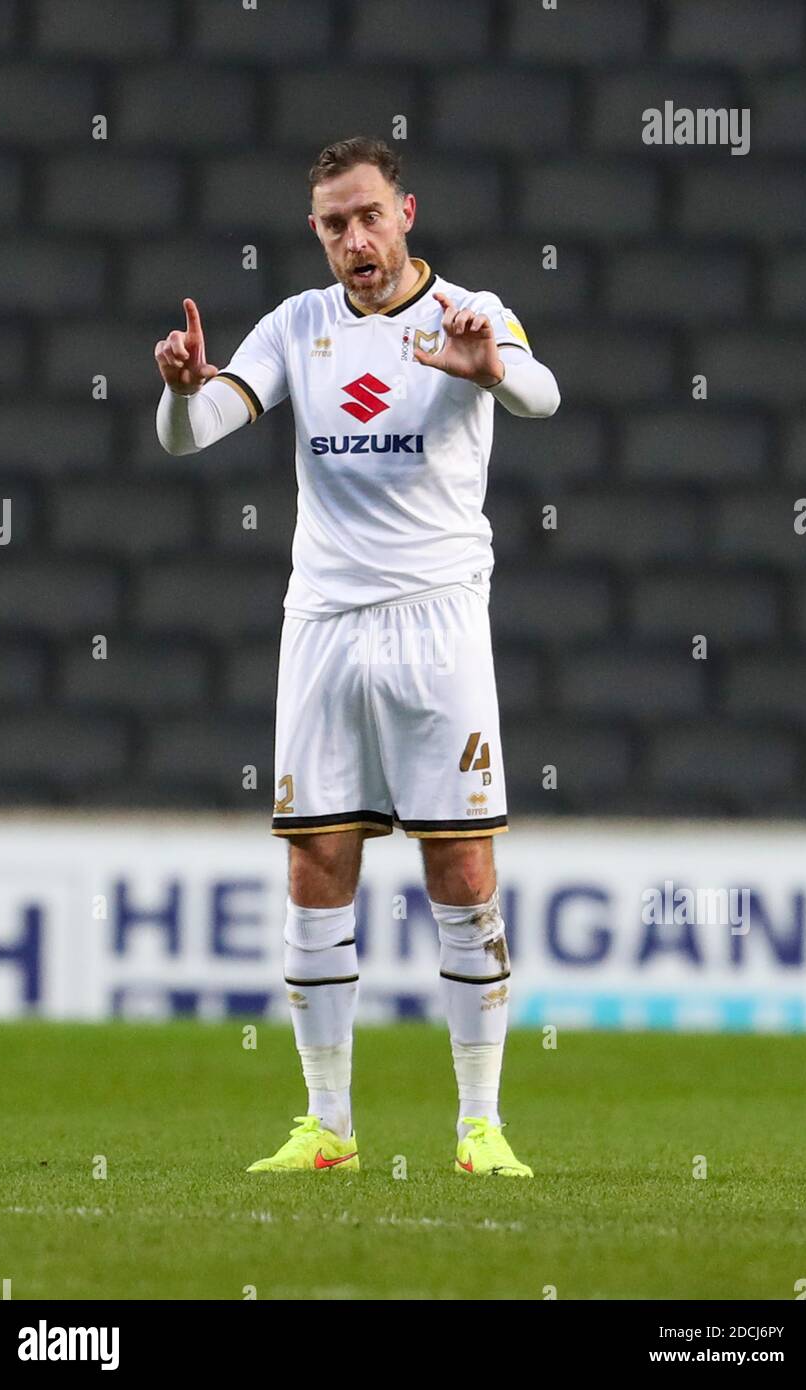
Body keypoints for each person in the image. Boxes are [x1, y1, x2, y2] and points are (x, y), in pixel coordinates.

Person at [155, 136, 560, 1176]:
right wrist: (178, 385)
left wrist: (492, 369)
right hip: (325, 624)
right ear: (316, 234)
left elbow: (541, 394)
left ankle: (479, 1126)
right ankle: (327, 1125)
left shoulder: (468, 311)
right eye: (334, 224)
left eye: (368, 214)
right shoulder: (297, 325)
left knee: (461, 868)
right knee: (314, 865)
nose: (354, 239)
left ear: (406, 211)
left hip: (436, 619)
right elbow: (193, 430)